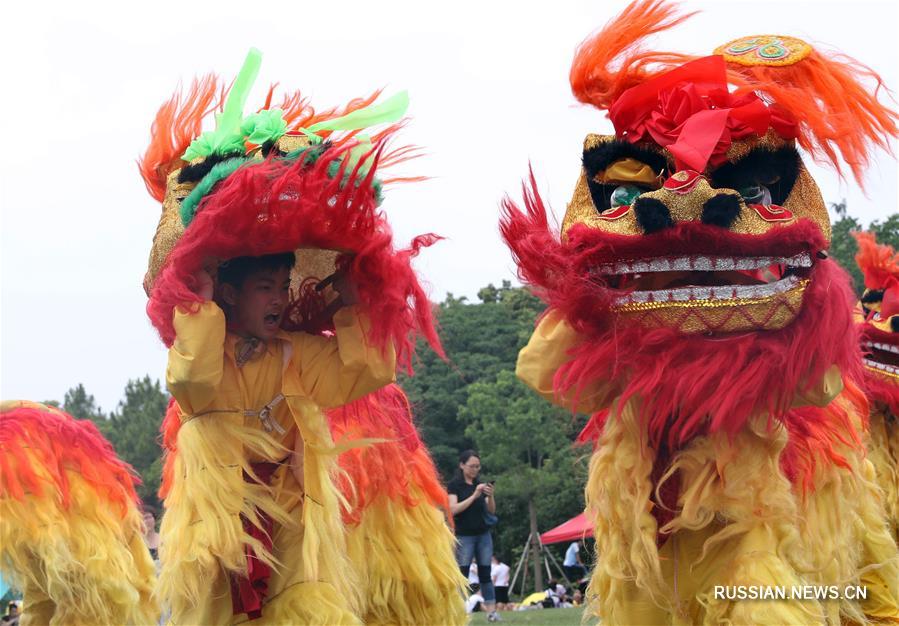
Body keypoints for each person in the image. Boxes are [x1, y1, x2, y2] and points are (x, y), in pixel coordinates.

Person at [447, 450, 501, 622]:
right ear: (462, 465)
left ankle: (491, 612)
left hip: (483, 535)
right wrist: (475, 495)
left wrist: (490, 496)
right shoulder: (455, 486)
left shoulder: (479, 484)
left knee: (485, 573)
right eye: (471, 466)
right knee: (462, 575)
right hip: (464, 536)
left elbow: (491, 510)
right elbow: (453, 509)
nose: (475, 470)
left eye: (477, 466)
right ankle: (460, 612)